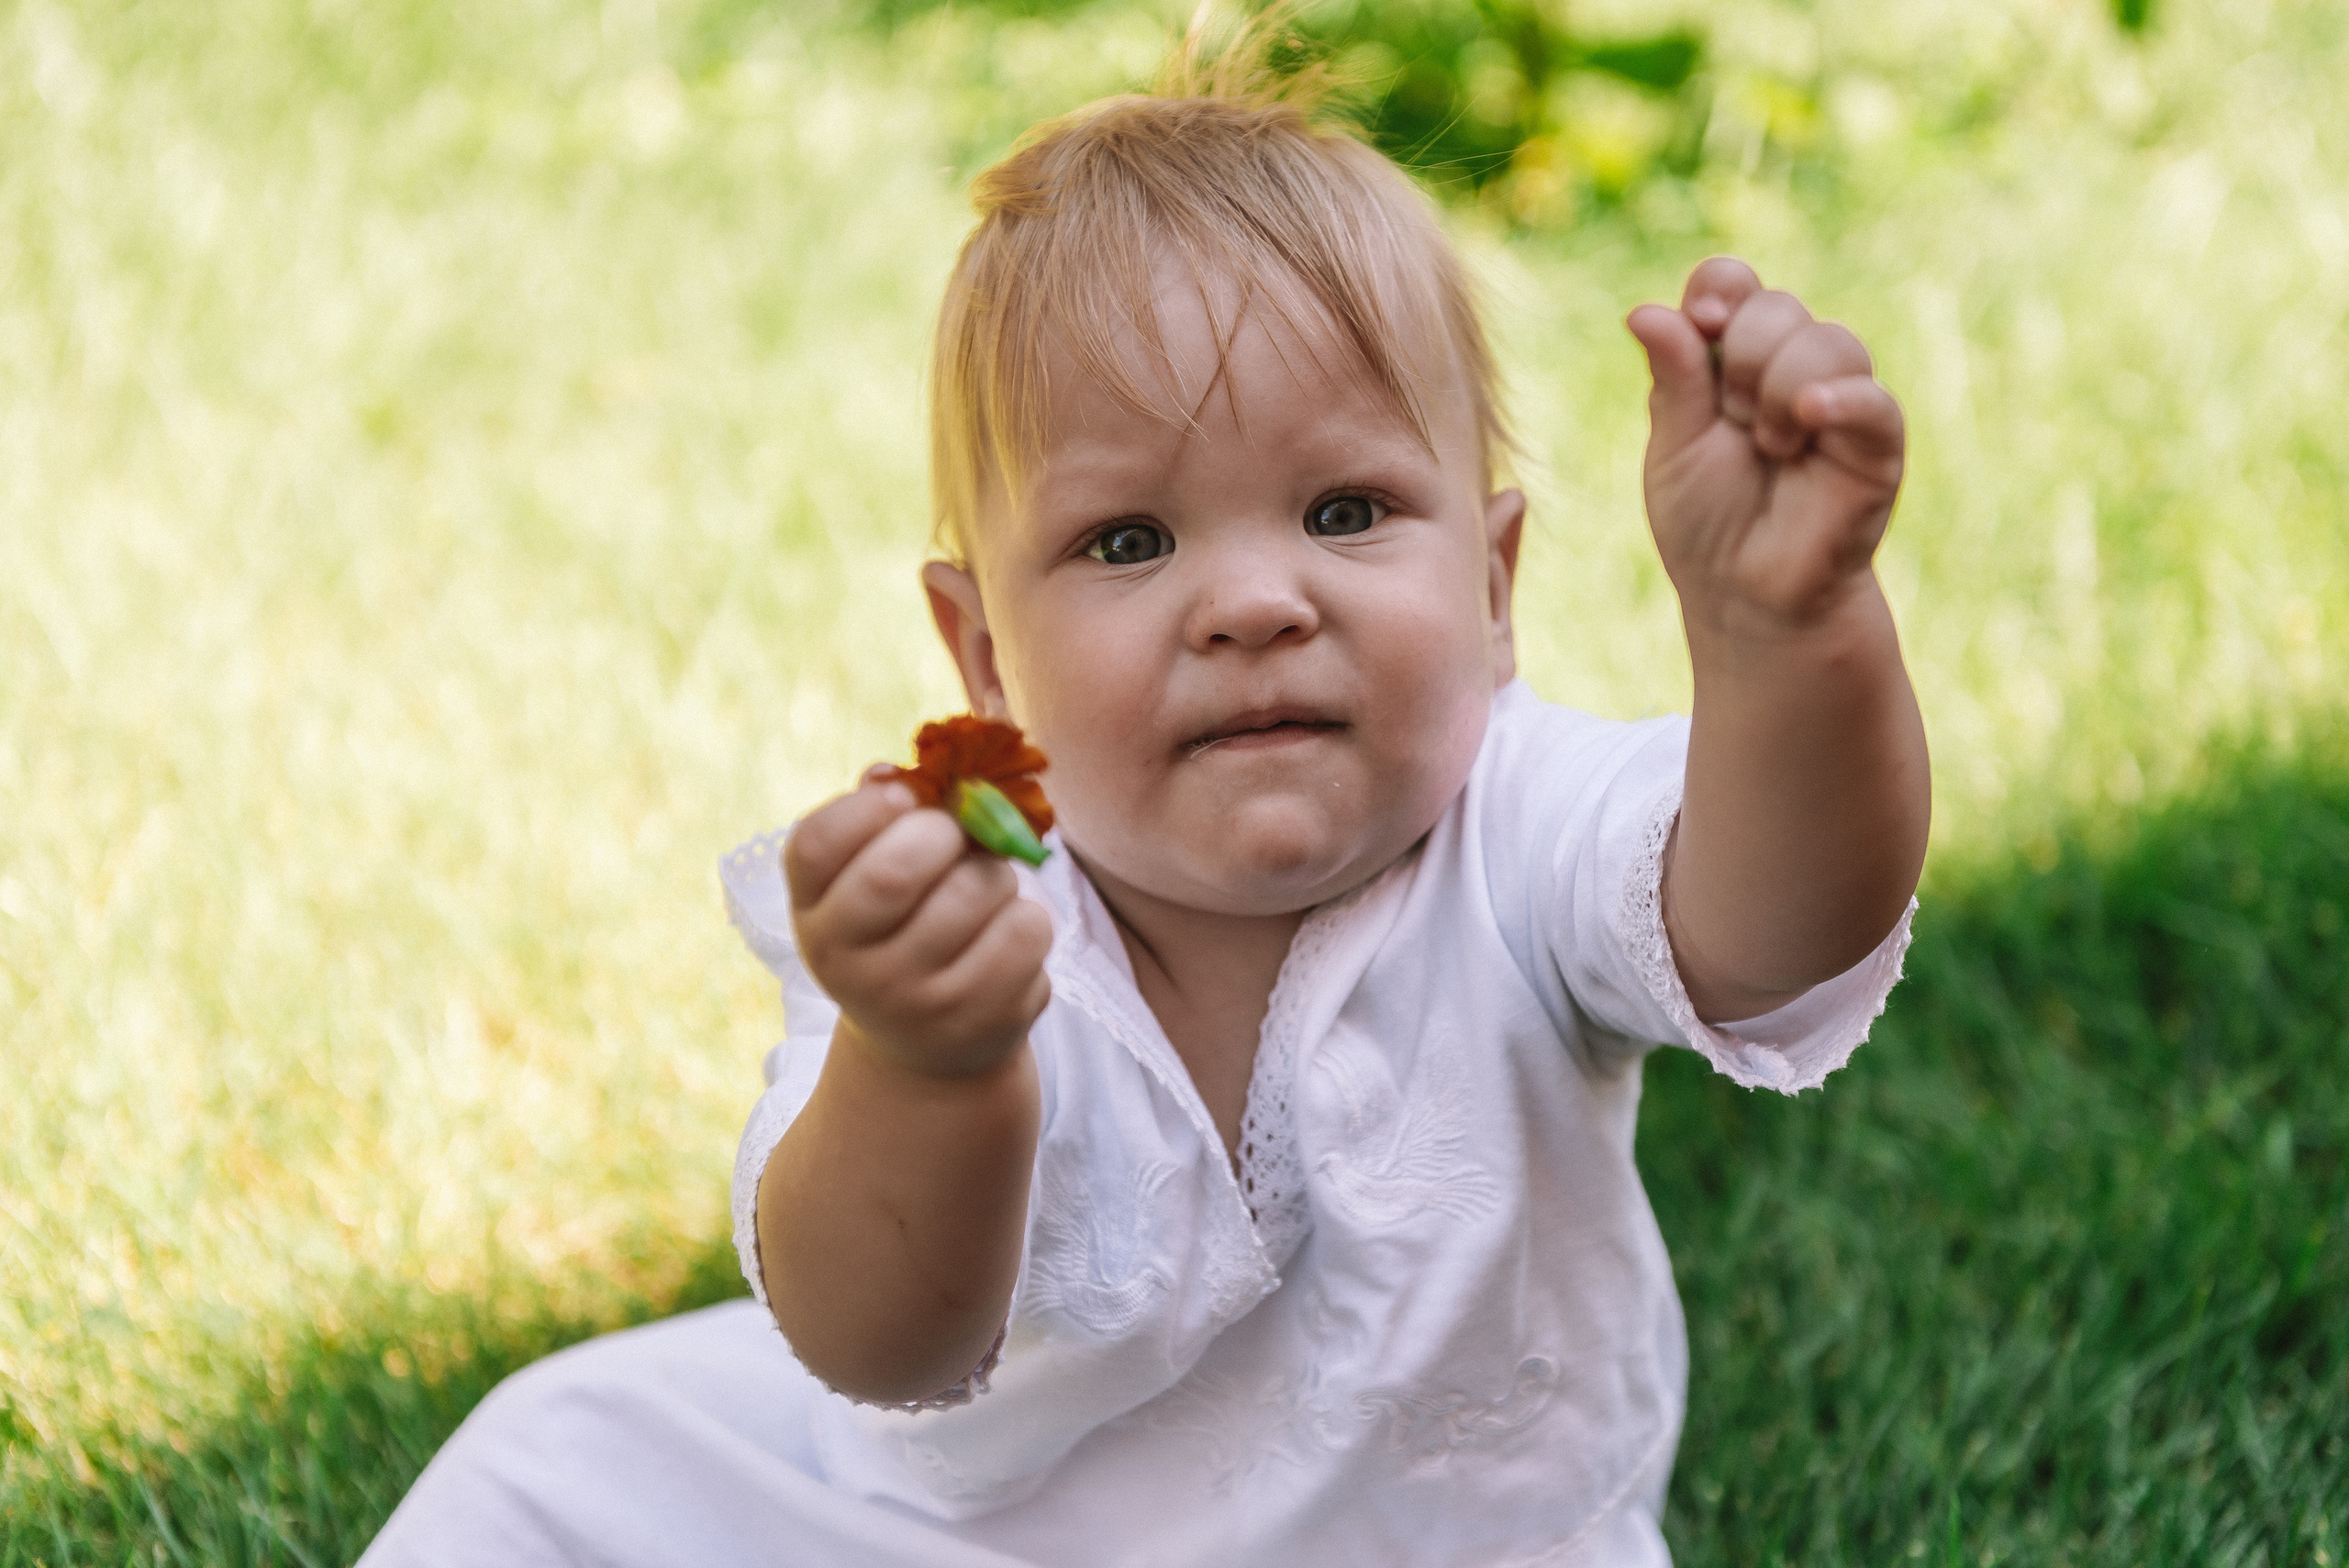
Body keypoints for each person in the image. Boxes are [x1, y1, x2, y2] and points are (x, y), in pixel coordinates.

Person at [360, 27, 1927, 1568]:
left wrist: (1785, 638)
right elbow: (877, 1342)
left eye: (1344, 508)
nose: (1252, 600)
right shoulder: (971, 914)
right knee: (555, 1461)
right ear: (982, 655)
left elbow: (1772, 925)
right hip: (970, 1533)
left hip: (1461, 1545)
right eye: (1127, 541)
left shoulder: (1516, 825)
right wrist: (927, 1061)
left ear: (1494, 585)